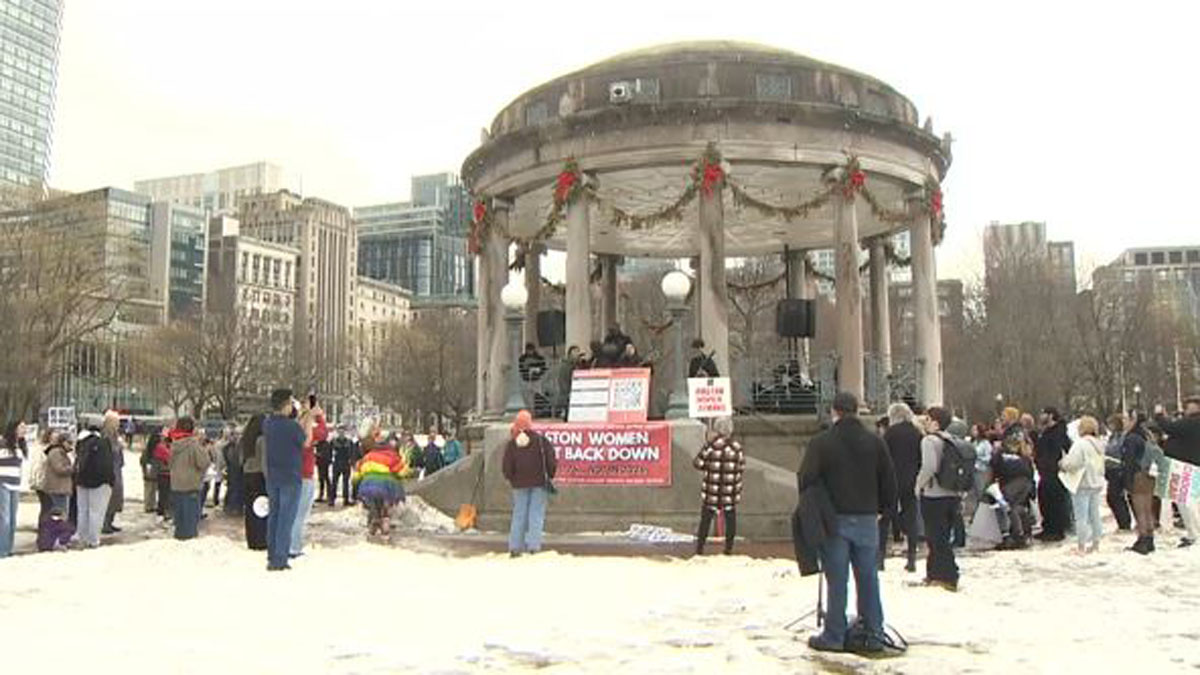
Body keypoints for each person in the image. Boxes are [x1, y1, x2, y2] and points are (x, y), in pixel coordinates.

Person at [799, 392, 897, 654]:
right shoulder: (875, 442)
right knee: (868, 577)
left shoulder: (822, 443)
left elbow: (806, 478)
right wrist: (883, 511)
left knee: (837, 579)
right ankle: (874, 631)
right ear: (856, 411)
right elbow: (889, 480)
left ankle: (834, 634)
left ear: (835, 412)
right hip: (867, 517)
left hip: (834, 519)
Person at [913, 406, 961, 592]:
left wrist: (918, 485)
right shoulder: (951, 440)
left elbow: (929, 467)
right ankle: (935, 573)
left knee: (935, 537)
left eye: (927, 418)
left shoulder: (929, 441)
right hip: (951, 493)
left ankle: (947, 575)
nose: (924, 421)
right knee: (942, 536)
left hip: (934, 494)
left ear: (935, 422)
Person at [501, 410, 557, 557]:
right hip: (539, 483)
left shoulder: (512, 444)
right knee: (536, 515)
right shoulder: (540, 441)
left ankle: (515, 547)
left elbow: (506, 466)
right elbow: (551, 461)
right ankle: (533, 546)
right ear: (530, 423)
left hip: (519, 485)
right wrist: (550, 475)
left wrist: (512, 478)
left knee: (519, 514)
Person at [264, 389, 306, 571]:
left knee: (274, 516)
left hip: (273, 475)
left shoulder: (268, 424)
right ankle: (280, 558)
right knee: (286, 518)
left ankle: (272, 553)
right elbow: (304, 440)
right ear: (285, 405)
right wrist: (308, 417)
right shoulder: (292, 427)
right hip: (291, 476)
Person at [692, 416, 745, 555]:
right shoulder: (736, 447)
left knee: (705, 520)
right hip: (729, 491)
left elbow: (697, 463)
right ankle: (728, 549)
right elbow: (741, 466)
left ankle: (700, 548)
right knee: (731, 520)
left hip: (712, 491)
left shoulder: (711, 446)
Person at [880, 403, 922, 573]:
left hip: (892, 480)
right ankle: (911, 557)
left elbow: (883, 457)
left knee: (885, 519)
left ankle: (880, 558)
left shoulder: (890, 433)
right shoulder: (917, 433)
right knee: (911, 518)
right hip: (911, 480)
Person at [1153, 397, 1200, 547]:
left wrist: (1159, 415)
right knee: (1186, 501)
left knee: (1184, 501)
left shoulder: (1192, 422)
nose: (1186, 408)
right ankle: (1194, 531)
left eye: (1189, 406)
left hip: (1184, 465)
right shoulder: (1190, 422)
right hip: (1190, 464)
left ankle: (1194, 533)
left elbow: (1170, 427)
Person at [1059, 415, 1106, 554]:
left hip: (1082, 482)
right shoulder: (1099, 445)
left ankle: (1081, 545)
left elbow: (1073, 463)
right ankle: (1096, 543)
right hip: (1096, 482)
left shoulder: (1080, 444)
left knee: (1081, 517)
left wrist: (1063, 464)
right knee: (1094, 515)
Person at [352, 420, 406, 537]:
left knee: (373, 505)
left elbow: (358, 473)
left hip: (368, 486)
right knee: (386, 505)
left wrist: (356, 481)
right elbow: (401, 471)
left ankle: (373, 524)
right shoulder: (393, 455)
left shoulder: (368, 456)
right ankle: (385, 525)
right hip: (387, 486)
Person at [73, 422, 116, 549]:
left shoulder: (80, 443)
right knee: (96, 512)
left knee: (82, 511)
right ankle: (93, 540)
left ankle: (82, 537)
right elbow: (106, 465)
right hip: (99, 482)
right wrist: (110, 481)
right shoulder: (103, 443)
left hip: (81, 481)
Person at [291, 395, 324, 559]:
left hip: (296, 474)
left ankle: (291, 545)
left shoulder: (294, 428)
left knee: (294, 512)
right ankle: (294, 547)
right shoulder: (306, 431)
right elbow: (322, 433)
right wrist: (318, 416)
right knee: (300, 514)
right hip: (305, 475)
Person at [168, 417, 211, 541]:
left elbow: (169, 463)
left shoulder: (174, 444)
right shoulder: (193, 445)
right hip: (191, 486)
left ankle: (179, 541)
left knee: (180, 522)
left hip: (176, 485)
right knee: (190, 522)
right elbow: (204, 462)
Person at [1121, 413, 1158, 555]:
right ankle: (1150, 538)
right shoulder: (1146, 435)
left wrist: (1126, 481)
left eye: (1126, 419)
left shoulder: (1131, 438)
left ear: (1133, 420)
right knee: (1148, 508)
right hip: (1149, 474)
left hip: (1137, 475)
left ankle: (1142, 538)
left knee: (1139, 509)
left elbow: (1129, 460)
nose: (1124, 422)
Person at [1034, 407, 1072, 542]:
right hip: (1045, 471)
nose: (1041, 416)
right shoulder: (1046, 432)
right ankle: (1048, 527)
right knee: (1044, 500)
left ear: (1050, 415)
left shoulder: (1059, 432)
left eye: (1043, 413)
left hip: (1054, 472)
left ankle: (1057, 529)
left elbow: (1066, 449)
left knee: (1055, 501)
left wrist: (1056, 464)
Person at [241, 414, 268, 550]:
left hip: (247, 475)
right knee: (262, 509)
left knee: (250, 510)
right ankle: (261, 539)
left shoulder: (245, 439)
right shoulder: (262, 440)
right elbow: (264, 462)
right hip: (259, 476)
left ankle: (251, 539)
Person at [0, 421, 26, 558]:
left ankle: (9, 548)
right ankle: (2, 550)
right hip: (3, 483)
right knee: (4, 519)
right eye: (21, 427)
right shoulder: (3, 443)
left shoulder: (20, 446)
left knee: (12, 519)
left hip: (15, 484)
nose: (24, 430)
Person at [1103, 413, 1132, 531]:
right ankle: (1122, 522)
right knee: (1113, 497)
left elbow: (1119, 451)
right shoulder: (1112, 437)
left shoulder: (1123, 437)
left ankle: (1124, 523)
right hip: (1110, 469)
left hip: (1118, 469)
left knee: (1114, 496)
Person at [100, 412, 125, 534]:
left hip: (117, 469)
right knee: (109, 496)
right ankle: (105, 523)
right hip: (110, 469)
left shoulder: (116, 437)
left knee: (117, 497)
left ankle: (110, 520)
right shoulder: (106, 437)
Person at [329, 427, 357, 507]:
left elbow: (353, 453)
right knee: (334, 482)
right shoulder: (333, 441)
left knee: (346, 483)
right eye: (340, 431)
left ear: (345, 432)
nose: (341, 432)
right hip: (337, 462)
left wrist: (352, 462)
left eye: (343, 431)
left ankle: (346, 499)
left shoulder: (349, 442)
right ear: (337, 432)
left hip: (346, 463)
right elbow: (329, 452)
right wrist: (330, 460)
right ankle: (332, 499)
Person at [223, 426, 244, 516]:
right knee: (233, 489)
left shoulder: (242, 445)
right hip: (233, 471)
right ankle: (231, 507)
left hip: (240, 472)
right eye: (237, 434)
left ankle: (237, 507)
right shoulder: (229, 447)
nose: (238, 436)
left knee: (238, 490)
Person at [140, 430, 161, 514]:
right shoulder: (153, 450)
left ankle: (150, 505)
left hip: (150, 471)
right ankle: (149, 505)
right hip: (153, 471)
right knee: (151, 489)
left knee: (150, 489)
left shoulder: (148, 450)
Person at [153, 431, 173, 520]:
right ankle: (163, 511)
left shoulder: (165, 447)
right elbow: (169, 457)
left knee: (164, 493)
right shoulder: (160, 447)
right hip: (163, 473)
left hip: (166, 472)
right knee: (165, 493)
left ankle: (162, 510)